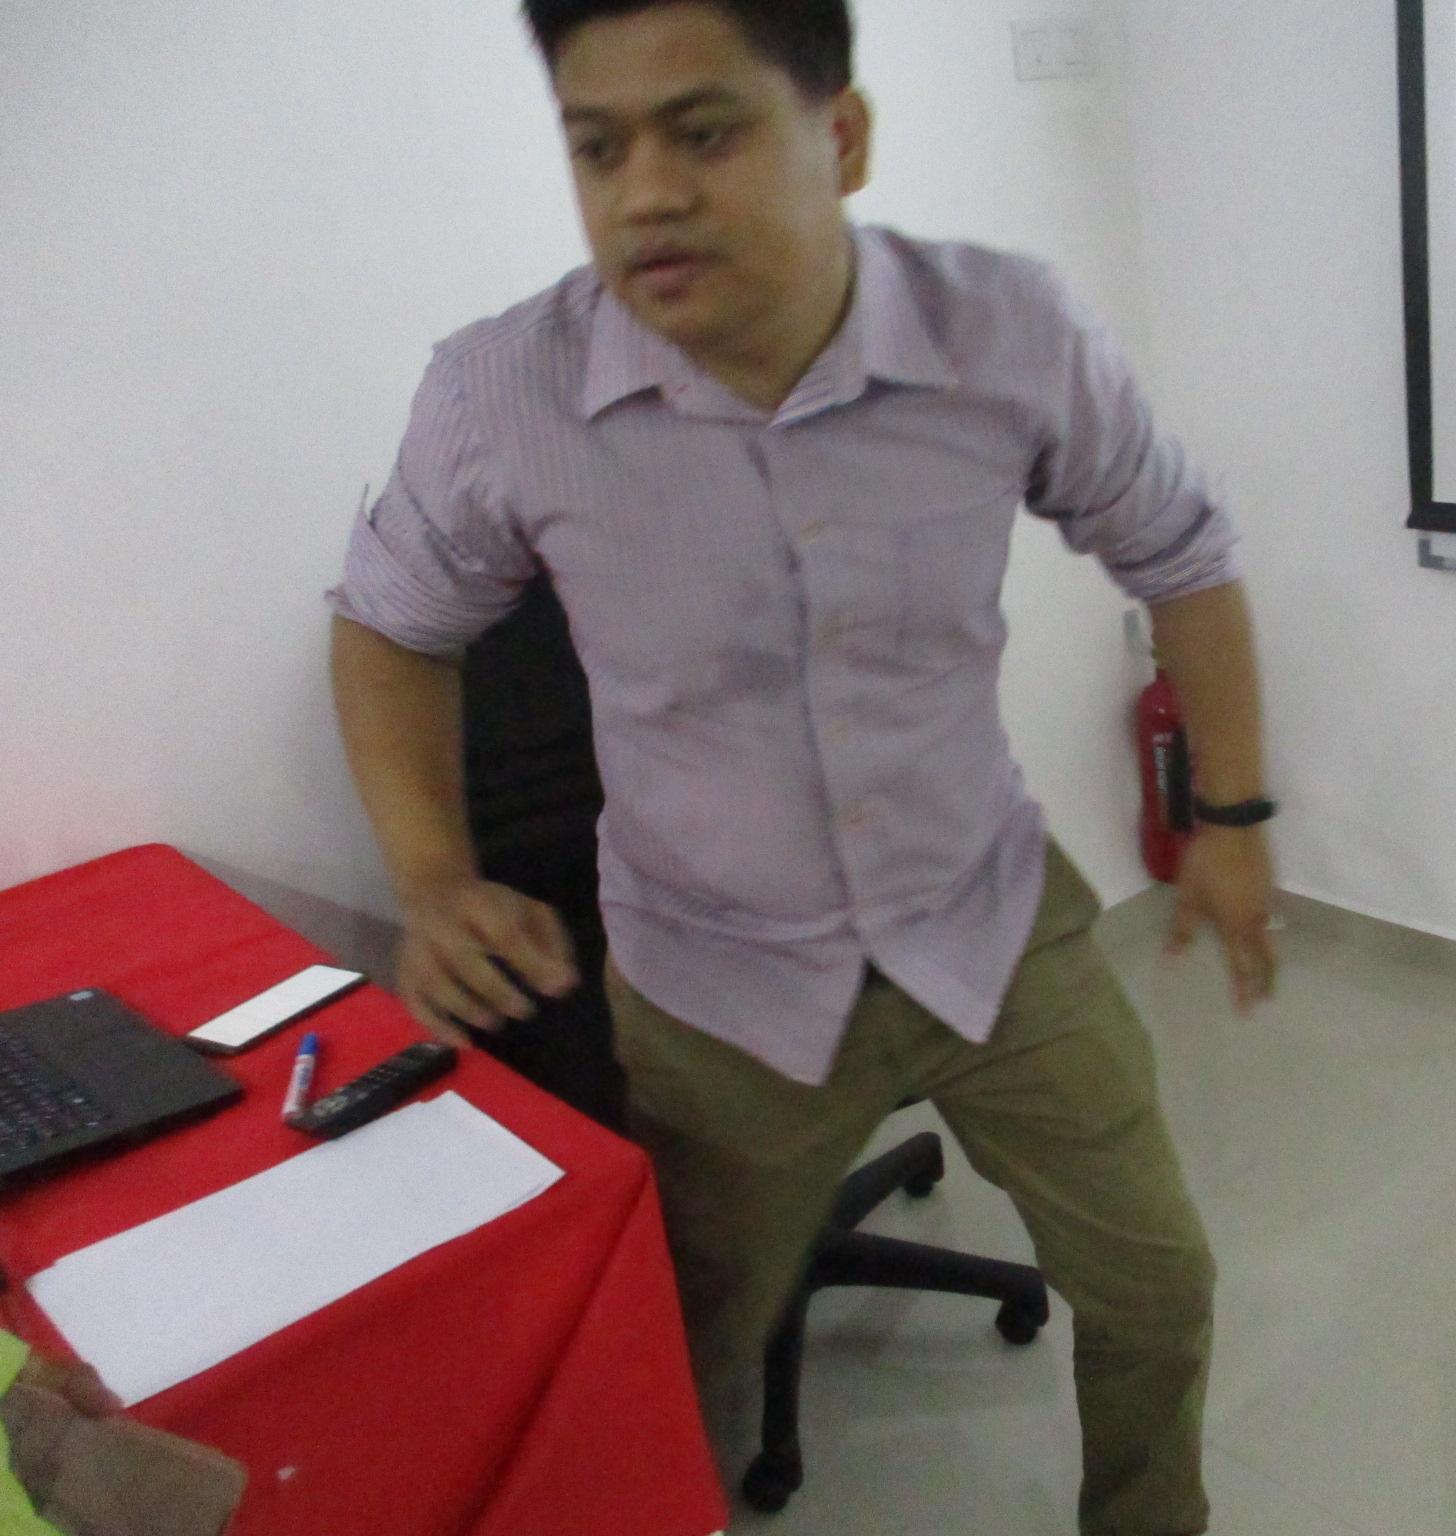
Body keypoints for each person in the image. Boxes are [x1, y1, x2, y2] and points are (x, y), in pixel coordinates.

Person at [326, 2, 1276, 1531]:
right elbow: (390, 628)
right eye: (597, 148)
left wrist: (1228, 812)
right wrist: (431, 876)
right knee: (683, 1355)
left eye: (702, 133)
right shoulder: (505, 393)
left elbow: (1182, 553)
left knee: (1159, 1285)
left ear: (840, 136)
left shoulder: (1002, 335)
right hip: (719, 991)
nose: (645, 194)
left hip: (991, 933)